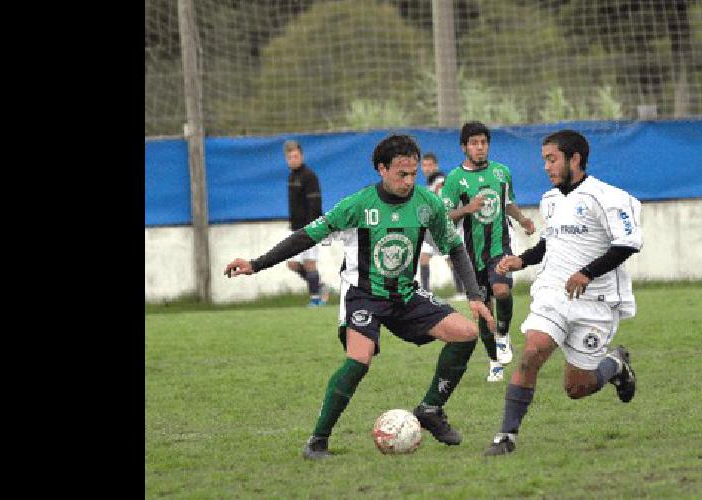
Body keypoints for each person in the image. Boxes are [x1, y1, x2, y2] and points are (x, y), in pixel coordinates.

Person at [224, 134, 497, 460]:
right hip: (363, 295)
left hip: (406, 294)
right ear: (382, 169)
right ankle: (318, 441)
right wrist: (256, 264)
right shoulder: (358, 205)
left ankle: (430, 409)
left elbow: (454, 246)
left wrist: (475, 294)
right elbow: (305, 236)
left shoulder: (427, 203)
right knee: (359, 359)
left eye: (413, 174)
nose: (409, 181)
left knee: (466, 334)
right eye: (401, 174)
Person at [483, 129, 640, 456]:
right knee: (531, 354)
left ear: (575, 159)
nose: (546, 166)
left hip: (595, 303)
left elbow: (627, 244)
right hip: (553, 294)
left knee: (577, 387)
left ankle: (615, 365)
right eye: (544, 160)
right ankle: (506, 437)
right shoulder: (550, 200)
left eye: (552, 159)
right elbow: (549, 244)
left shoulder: (607, 197)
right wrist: (521, 260)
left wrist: (587, 273)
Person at [440, 121, 536, 383]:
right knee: (483, 310)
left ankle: (503, 335)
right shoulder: (454, 179)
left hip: (499, 247)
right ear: (464, 147)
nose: (480, 147)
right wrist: (466, 209)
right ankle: (495, 360)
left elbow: (507, 203)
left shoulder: (501, 172)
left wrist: (523, 220)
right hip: (471, 254)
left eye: (483, 142)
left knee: (502, 290)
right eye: (474, 143)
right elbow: (444, 216)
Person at [282, 139, 330, 307]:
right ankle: (320, 286)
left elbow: (315, 204)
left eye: (295, 156)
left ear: (301, 156)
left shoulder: (309, 176)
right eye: (289, 157)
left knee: (309, 263)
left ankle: (315, 299)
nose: (293, 160)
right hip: (295, 228)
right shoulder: (291, 177)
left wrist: (315, 228)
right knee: (292, 264)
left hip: (309, 227)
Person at [418, 152, 468, 301]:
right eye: (424, 165)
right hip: (431, 228)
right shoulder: (429, 182)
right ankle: (426, 292)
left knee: (450, 259)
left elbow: (442, 195)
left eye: (429, 165)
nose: (426, 168)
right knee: (423, 258)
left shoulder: (439, 179)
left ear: (436, 166)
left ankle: (461, 291)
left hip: (442, 227)